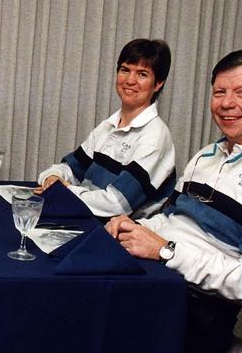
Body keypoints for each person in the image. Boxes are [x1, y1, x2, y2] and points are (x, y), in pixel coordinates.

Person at [107, 49, 242, 353]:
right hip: (159, 277)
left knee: (88, 317)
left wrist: (166, 251)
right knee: (67, 287)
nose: (226, 103)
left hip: (200, 313)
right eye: (219, 92)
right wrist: (134, 228)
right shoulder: (209, 155)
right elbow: (170, 219)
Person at [36, 38, 177, 219]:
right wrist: (52, 178)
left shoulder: (155, 137)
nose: (130, 80)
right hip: (82, 217)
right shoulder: (108, 126)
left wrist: (66, 191)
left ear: (158, 83)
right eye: (125, 70)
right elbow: (71, 168)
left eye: (142, 74)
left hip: (117, 236)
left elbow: (116, 204)